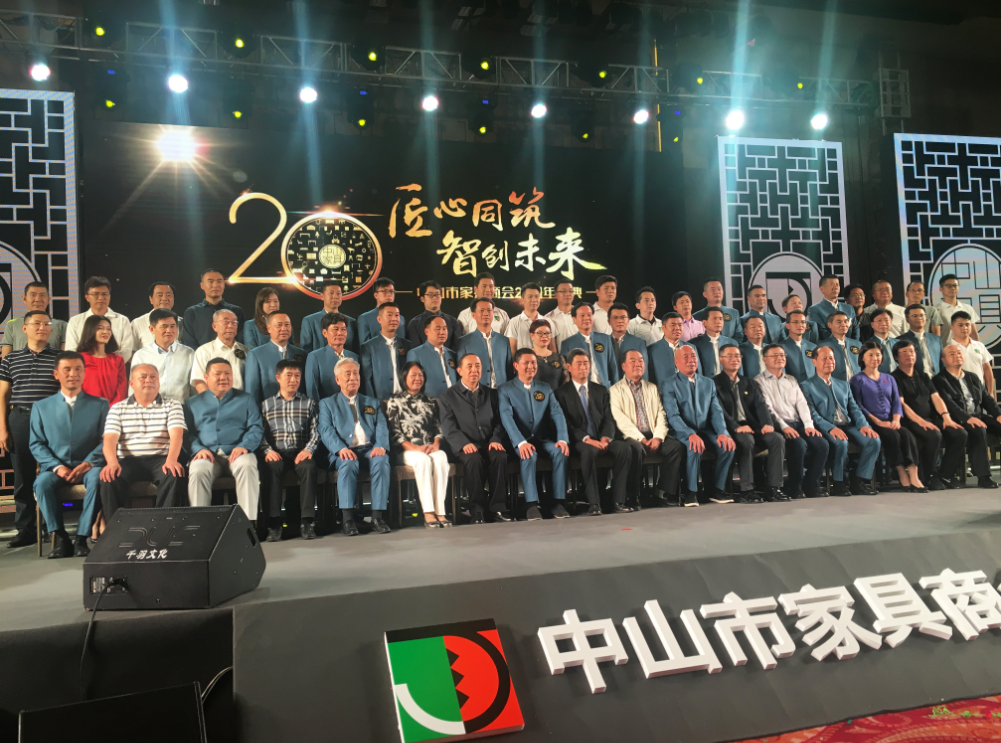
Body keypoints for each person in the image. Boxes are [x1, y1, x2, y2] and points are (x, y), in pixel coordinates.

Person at [29, 352, 108, 558]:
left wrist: (88, 463)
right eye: (67, 369)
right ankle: (61, 538)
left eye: (78, 369)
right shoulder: (40, 407)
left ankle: (82, 537)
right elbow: (36, 443)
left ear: (84, 373)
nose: (73, 374)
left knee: (99, 480)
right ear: (56, 374)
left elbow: (106, 440)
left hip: (90, 466)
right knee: (41, 484)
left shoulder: (100, 404)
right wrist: (57, 467)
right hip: (55, 468)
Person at [0, 312, 61, 547]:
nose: (42, 327)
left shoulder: (60, 358)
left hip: (51, 421)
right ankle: (25, 530)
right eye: (37, 323)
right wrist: (3, 428)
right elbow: (3, 395)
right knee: (22, 476)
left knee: (50, 473)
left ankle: (51, 527)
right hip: (20, 419)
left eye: (47, 324)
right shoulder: (11, 359)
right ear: (24, 329)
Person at [99, 364, 186, 520]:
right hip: (128, 460)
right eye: (143, 377)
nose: (149, 380)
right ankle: (116, 528)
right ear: (131, 383)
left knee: (174, 474)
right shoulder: (118, 408)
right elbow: (110, 439)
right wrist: (111, 462)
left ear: (158, 382)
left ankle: (163, 526)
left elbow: (177, 434)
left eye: (153, 377)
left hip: (161, 459)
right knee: (109, 478)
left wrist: (172, 460)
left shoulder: (173, 405)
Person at [318, 357, 392, 535]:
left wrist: (381, 445)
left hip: (369, 449)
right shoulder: (327, 404)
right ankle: (348, 520)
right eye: (348, 374)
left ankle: (377, 517)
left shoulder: (372, 402)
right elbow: (326, 430)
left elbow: (382, 426)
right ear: (337, 379)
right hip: (343, 450)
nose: (353, 377)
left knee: (382, 460)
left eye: (355, 373)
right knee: (348, 463)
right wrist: (340, 449)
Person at [555, 349, 633, 515]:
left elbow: (609, 418)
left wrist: (605, 438)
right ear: (569, 367)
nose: (583, 367)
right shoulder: (561, 393)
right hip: (579, 441)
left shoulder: (600, 390)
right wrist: (587, 439)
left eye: (586, 363)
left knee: (624, 449)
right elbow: (565, 424)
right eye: (579, 364)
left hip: (601, 438)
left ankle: (618, 501)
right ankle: (594, 503)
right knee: (589, 452)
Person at [186, 358, 263, 521]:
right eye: (218, 374)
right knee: (198, 470)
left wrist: (244, 445)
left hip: (238, 452)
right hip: (208, 454)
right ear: (206, 378)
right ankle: (199, 523)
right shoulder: (192, 403)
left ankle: (248, 524)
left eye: (228, 373)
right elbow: (187, 433)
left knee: (247, 465)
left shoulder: (246, 399)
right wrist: (199, 449)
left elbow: (256, 427)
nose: (224, 377)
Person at [438, 353, 511, 524]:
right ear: (459, 371)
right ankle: (477, 510)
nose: (474, 370)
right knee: (473, 460)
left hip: (489, 442)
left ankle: (498, 508)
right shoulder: (448, 396)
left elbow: (500, 421)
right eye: (469, 366)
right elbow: (448, 427)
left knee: (500, 456)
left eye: (477, 366)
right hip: (464, 445)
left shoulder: (492, 394)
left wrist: (496, 439)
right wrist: (464, 443)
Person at [498, 348, 570, 521]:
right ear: (516, 366)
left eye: (533, 363)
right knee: (529, 455)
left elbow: (557, 413)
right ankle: (531, 505)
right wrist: (520, 442)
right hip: (520, 440)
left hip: (542, 438)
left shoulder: (545, 388)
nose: (530, 366)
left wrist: (562, 439)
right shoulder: (505, 389)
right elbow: (506, 417)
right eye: (526, 363)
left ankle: (558, 502)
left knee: (560, 452)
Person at [660, 345, 736, 505]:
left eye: (693, 356)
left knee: (727, 446)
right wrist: (689, 434)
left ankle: (716, 489)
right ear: (676, 362)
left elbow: (716, 412)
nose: (691, 360)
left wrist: (723, 432)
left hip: (704, 430)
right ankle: (691, 491)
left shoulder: (708, 383)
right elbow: (673, 416)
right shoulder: (669, 384)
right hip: (680, 431)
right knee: (694, 446)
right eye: (686, 357)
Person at [609, 349, 685, 507]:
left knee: (675, 446)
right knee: (636, 449)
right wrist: (641, 439)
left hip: (653, 434)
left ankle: (662, 493)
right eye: (633, 360)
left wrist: (657, 437)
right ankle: (634, 494)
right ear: (623, 366)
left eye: (641, 360)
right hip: (631, 436)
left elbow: (661, 414)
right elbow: (620, 420)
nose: (638, 364)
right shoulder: (615, 390)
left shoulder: (652, 388)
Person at [801, 346, 881, 496]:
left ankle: (859, 481)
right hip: (826, 427)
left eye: (831, 358)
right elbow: (812, 414)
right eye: (824, 358)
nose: (829, 361)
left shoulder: (843, 384)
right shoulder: (807, 386)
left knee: (873, 440)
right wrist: (830, 428)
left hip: (847, 425)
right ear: (814, 361)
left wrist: (864, 425)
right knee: (841, 442)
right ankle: (839, 483)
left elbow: (854, 409)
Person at [754, 344, 829, 499]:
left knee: (822, 444)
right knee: (799, 445)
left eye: (782, 355)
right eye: (775, 355)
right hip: (778, 426)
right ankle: (795, 487)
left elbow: (802, 404)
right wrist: (784, 427)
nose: (780, 358)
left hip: (797, 423)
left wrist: (808, 425)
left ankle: (811, 484)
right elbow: (768, 409)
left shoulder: (791, 380)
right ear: (765, 360)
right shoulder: (759, 381)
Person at [714, 343, 785, 503]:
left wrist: (767, 423)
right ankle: (747, 489)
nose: (734, 359)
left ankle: (774, 488)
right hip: (730, 428)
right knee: (746, 440)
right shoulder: (715, 383)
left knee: (777, 439)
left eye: (737, 356)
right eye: (730, 356)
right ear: (721, 359)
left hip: (752, 427)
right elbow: (719, 411)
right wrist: (736, 427)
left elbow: (761, 405)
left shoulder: (749, 382)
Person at [850, 341, 925, 491]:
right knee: (893, 437)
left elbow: (897, 401)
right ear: (863, 358)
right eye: (870, 355)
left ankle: (914, 476)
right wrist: (878, 421)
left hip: (891, 421)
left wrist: (896, 419)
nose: (875, 358)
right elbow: (858, 406)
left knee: (908, 435)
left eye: (878, 354)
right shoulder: (857, 380)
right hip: (872, 423)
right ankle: (901, 473)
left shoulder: (889, 378)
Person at [892, 340, 966, 490]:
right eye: (904, 352)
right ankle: (928, 476)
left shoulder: (924, 376)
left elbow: (936, 398)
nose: (909, 355)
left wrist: (946, 417)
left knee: (960, 433)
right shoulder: (894, 378)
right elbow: (901, 404)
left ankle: (945, 474)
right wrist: (921, 421)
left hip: (930, 418)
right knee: (934, 435)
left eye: (911, 352)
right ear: (896, 357)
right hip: (909, 421)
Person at [385, 362, 451, 528]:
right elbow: (395, 433)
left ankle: (441, 512)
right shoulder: (395, 402)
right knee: (423, 460)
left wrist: (436, 444)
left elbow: (438, 428)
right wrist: (415, 448)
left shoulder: (430, 402)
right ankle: (428, 512)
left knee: (441, 457)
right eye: (413, 375)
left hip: (429, 447)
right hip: (407, 451)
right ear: (404, 378)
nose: (417, 378)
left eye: (420, 375)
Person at [260, 360, 320, 542]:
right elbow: (259, 433)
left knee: (309, 467)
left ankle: (307, 521)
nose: (294, 380)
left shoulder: (308, 403)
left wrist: (309, 449)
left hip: (300, 451)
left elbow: (316, 431)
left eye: (297, 376)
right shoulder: (266, 405)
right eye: (289, 375)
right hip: (277, 452)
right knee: (271, 468)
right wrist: (267, 450)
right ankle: (274, 523)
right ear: (278, 378)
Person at [934, 344, 1000, 489]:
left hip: (977, 415)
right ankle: (983, 477)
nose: (957, 356)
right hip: (956, 419)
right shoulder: (939, 380)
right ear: (943, 360)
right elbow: (949, 404)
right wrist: (967, 418)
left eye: (959, 353)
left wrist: (998, 414)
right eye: (952, 354)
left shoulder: (972, 377)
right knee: (978, 429)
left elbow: (987, 399)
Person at [131, 309, 195, 402]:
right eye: (164, 326)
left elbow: (194, 385)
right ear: (152, 329)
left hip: (182, 406)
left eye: (172, 326)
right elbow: (134, 387)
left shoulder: (189, 353)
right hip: (151, 407)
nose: (169, 330)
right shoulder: (141, 355)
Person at [65, 276, 135, 362]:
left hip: (113, 367)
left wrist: (107, 364)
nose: (101, 297)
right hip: (84, 368)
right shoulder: (75, 321)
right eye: (96, 294)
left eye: (105, 294)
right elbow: (71, 350)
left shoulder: (122, 320)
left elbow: (126, 351)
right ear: (87, 297)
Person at [245, 312, 306, 404]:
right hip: (268, 409)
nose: (284, 328)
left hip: (298, 408)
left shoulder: (301, 354)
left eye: (287, 325)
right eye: (279, 325)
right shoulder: (255, 355)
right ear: (269, 328)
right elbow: (252, 392)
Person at [456, 298, 513, 389]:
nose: (486, 314)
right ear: (473, 315)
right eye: (481, 311)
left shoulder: (504, 341)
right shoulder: (463, 342)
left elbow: (509, 371)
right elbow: (460, 372)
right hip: (476, 391)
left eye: (489, 310)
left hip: (502, 391)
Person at [182, 268, 246, 348]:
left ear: (224, 284)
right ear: (202, 285)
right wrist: (202, 354)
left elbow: (241, 339)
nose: (215, 285)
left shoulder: (236, 311)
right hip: (201, 355)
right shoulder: (192, 312)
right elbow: (189, 342)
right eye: (211, 281)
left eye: (219, 281)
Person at [190, 309, 250, 394]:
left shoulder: (246, 350)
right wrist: (212, 401)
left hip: (242, 399)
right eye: (226, 322)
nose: (230, 326)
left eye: (234, 322)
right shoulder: (203, 351)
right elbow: (200, 382)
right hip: (215, 400)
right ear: (214, 326)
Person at [360, 302, 411, 400]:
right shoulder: (368, 347)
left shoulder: (408, 345)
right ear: (379, 319)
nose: (394, 319)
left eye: (397, 315)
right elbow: (367, 380)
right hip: (381, 401)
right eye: (389, 315)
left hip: (406, 400)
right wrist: (373, 403)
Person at [2, 281, 66, 357]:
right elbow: (6, 358)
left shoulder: (61, 325)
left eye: (42, 295)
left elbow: (65, 357)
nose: (38, 299)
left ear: (48, 300)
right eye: (33, 295)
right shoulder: (12, 325)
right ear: (24, 299)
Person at [560, 303, 617, 387]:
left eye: (589, 315)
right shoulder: (567, 343)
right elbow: (566, 373)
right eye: (582, 315)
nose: (586, 318)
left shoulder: (605, 339)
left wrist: (616, 388)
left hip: (605, 388)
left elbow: (613, 367)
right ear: (574, 319)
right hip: (581, 389)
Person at [305, 313, 359, 401]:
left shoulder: (354, 357)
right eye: (335, 329)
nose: (340, 333)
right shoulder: (315, 357)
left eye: (343, 329)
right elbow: (312, 391)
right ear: (325, 333)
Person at [77, 314, 128, 406]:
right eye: (100, 328)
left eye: (109, 329)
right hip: (85, 409)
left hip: (112, 411)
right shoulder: (79, 359)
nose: (106, 332)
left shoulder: (117, 359)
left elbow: (121, 389)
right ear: (90, 330)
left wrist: (110, 409)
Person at [406, 316, 457, 399]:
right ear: (426, 331)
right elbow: (412, 384)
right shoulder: (415, 353)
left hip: (453, 401)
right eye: (438, 328)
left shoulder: (452, 354)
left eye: (444, 328)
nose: (442, 332)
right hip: (429, 403)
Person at [300, 282, 358, 354]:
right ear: (322, 296)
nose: (335, 296)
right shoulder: (310, 321)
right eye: (331, 293)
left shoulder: (351, 322)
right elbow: (305, 351)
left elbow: (355, 349)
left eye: (338, 293)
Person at [647, 312, 701, 384]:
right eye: (673, 325)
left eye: (680, 325)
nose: (677, 328)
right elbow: (650, 377)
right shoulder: (652, 350)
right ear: (663, 328)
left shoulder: (691, 347)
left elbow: (699, 374)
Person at [946, 312, 993, 394]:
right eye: (960, 325)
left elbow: (987, 369)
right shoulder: (947, 347)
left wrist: (990, 392)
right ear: (952, 328)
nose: (964, 328)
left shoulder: (979, 345)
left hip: (979, 392)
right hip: (958, 393)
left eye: (967, 325)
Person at [406, 280, 461, 351]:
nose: (435, 298)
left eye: (437, 294)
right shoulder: (415, 323)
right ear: (422, 299)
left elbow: (457, 347)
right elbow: (415, 349)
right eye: (430, 295)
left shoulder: (452, 321)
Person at [131, 281, 180, 350]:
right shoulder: (138, 323)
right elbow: (131, 351)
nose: (164, 298)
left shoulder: (182, 323)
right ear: (151, 299)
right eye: (160, 295)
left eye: (168, 295)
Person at [807, 274, 857, 342]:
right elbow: (821, 332)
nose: (835, 287)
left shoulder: (849, 308)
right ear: (822, 289)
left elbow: (855, 329)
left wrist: (853, 344)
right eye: (831, 284)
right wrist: (839, 343)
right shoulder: (814, 309)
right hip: (828, 345)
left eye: (837, 285)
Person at [357, 278, 406, 346]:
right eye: (384, 291)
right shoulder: (365, 318)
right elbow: (365, 347)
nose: (389, 294)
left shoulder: (401, 318)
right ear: (376, 295)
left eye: (391, 291)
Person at [690, 307, 736, 378]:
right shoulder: (694, 344)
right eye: (714, 318)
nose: (718, 322)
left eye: (721, 319)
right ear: (704, 323)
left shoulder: (732, 343)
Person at [899, 304, 943, 377]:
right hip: (915, 380)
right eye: (915, 316)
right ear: (907, 319)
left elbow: (942, 363)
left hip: (936, 380)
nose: (919, 318)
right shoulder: (900, 340)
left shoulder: (936, 339)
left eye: (922, 315)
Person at [936, 273, 981, 345]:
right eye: (949, 286)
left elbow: (973, 333)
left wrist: (978, 348)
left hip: (966, 350)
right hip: (947, 350)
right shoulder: (936, 310)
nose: (952, 288)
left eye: (955, 285)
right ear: (941, 289)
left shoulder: (967, 308)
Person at [817, 311, 862, 381]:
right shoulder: (822, 346)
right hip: (836, 385)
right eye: (839, 322)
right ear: (829, 325)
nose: (843, 324)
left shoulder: (857, 344)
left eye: (846, 321)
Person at [505, 282, 547, 353]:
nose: (534, 300)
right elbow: (512, 349)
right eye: (530, 297)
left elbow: (551, 349)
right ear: (522, 300)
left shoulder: (547, 321)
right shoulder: (514, 322)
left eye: (536, 296)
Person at [609, 303, 648, 375]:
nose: (619, 321)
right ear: (609, 321)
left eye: (623, 317)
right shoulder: (604, 342)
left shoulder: (638, 343)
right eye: (615, 317)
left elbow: (643, 371)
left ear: (628, 321)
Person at [779, 309, 817, 382]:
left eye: (803, 322)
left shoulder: (813, 347)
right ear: (787, 325)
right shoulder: (780, 347)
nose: (800, 325)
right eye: (795, 322)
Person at [529, 319, 567, 390]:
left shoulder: (559, 358)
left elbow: (566, 383)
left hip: (556, 396)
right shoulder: (527, 357)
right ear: (532, 335)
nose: (544, 336)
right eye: (540, 333)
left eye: (547, 333)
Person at [545, 280, 578, 348]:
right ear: (556, 294)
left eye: (570, 291)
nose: (567, 294)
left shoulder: (581, 315)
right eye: (563, 291)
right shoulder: (548, 318)